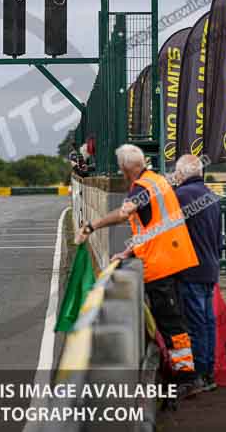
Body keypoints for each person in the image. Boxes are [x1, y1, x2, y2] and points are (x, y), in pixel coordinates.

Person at [75, 144, 201, 394]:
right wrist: (128, 251)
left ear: (123, 168)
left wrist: (92, 226)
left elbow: (124, 214)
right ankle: (184, 372)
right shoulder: (156, 181)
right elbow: (151, 227)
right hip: (174, 257)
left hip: (161, 264)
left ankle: (187, 377)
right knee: (174, 320)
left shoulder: (141, 189)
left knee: (171, 323)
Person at [173, 154, 222, 392]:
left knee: (195, 325)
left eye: (176, 173)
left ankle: (198, 377)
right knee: (207, 322)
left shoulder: (181, 195)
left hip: (191, 269)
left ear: (182, 174)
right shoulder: (212, 196)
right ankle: (209, 373)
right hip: (210, 267)